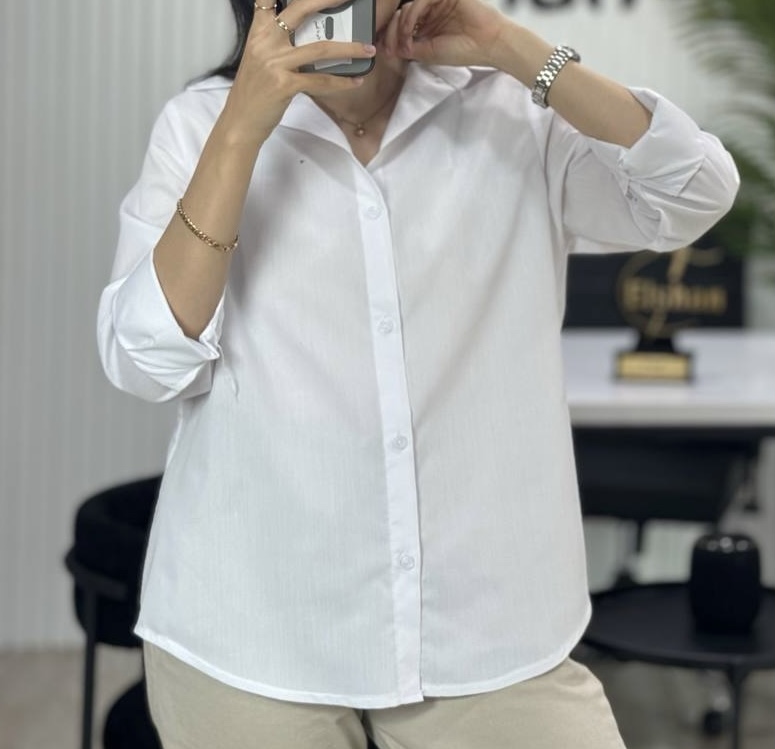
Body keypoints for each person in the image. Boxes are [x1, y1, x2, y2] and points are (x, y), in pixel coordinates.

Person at [97, 0, 738, 746]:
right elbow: (144, 361)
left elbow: (693, 190)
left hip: (488, 633)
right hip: (254, 631)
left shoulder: (508, 112)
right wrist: (240, 131)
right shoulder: (200, 124)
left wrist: (508, 45)